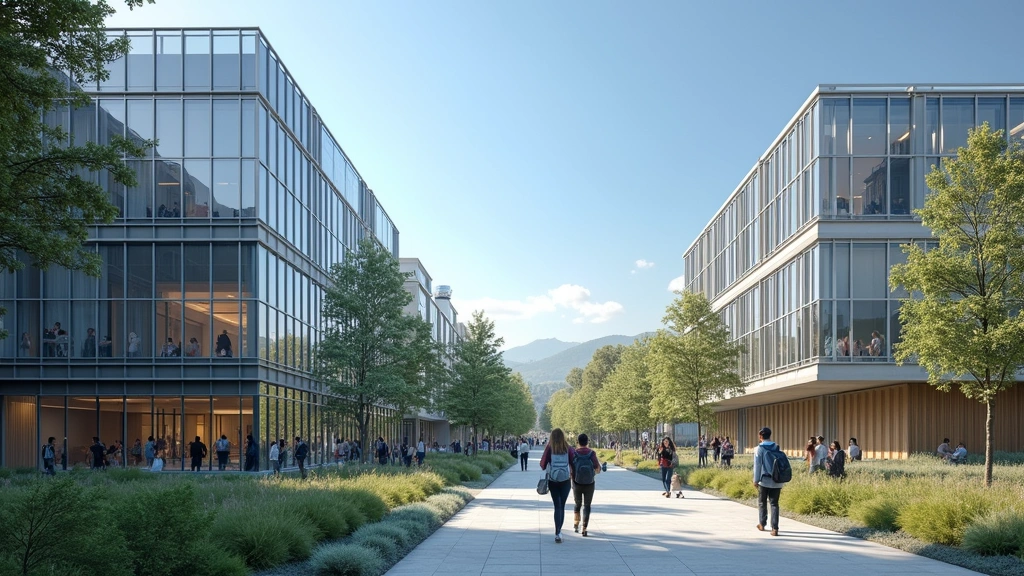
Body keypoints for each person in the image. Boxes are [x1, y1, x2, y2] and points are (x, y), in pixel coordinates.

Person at [540, 428, 574, 543]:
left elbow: (542, 464)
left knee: (557, 505)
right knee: (562, 506)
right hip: (565, 480)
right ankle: (559, 532)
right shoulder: (568, 448)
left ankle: (557, 531)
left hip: (553, 480)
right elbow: (574, 462)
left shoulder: (550, 448)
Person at [752, 427, 783, 536]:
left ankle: (762, 524)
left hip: (764, 480)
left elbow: (757, 465)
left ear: (760, 436)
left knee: (762, 502)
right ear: (770, 435)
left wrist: (755, 480)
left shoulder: (759, 448)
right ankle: (775, 528)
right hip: (777, 480)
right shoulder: (777, 446)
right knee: (774, 504)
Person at [571, 433, 601, 537]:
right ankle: (584, 528)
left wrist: (572, 479)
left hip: (576, 483)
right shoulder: (591, 453)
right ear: (587, 441)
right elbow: (597, 468)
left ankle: (576, 524)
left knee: (577, 504)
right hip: (589, 483)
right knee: (587, 506)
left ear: (577, 442)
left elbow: (571, 468)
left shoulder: (574, 453)